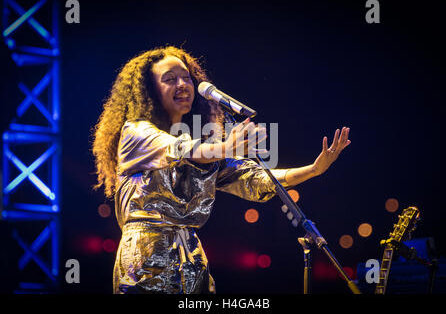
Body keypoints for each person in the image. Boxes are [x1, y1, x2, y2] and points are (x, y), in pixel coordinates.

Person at [91, 45, 350, 294]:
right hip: (147, 259)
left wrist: (313, 169)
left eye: (186, 78)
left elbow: (254, 179)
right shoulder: (136, 133)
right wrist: (227, 147)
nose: (182, 84)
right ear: (150, 90)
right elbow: (179, 149)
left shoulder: (207, 146)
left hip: (191, 259)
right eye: (169, 79)